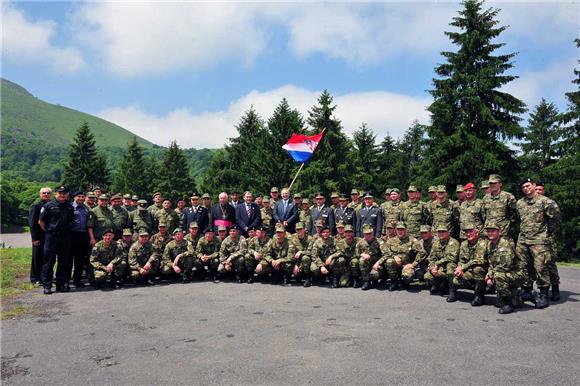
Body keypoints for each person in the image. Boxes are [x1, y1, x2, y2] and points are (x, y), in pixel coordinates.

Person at [516, 178, 558, 309]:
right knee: (522, 265)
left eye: (528, 186)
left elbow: (555, 219)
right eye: (523, 187)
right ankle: (526, 290)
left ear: (534, 185)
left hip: (539, 240)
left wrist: (545, 233)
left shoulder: (545, 201)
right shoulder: (520, 203)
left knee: (541, 267)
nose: (526, 189)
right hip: (523, 240)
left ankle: (544, 294)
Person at [38, 185, 74, 294]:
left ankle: (60, 284)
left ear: (67, 194)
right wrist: (49, 232)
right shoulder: (48, 206)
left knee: (63, 262)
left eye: (64, 193)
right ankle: (47, 285)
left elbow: (71, 221)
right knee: (49, 261)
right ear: (56, 194)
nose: (62, 195)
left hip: (65, 237)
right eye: (60, 193)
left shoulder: (70, 206)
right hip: (52, 236)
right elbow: (41, 222)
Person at [485, 222, 523, 314]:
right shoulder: (490, 245)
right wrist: (489, 274)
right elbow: (491, 264)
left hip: (518, 274)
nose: (490, 233)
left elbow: (504, 266)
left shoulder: (505, 244)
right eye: (488, 231)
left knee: (498, 276)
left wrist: (491, 275)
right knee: (508, 302)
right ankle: (525, 295)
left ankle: (508, 304)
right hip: (506, 274)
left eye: (493, 231)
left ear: (500, 232)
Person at [450, 223, 488, 305]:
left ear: (477, 232)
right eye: (466, 232)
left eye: (471, 231)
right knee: (456, 279)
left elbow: (478, 260)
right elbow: (461, 259)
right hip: (468, 270)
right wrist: (459, 268)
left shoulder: (483, 243)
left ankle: (479, 294)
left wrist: (463, 267)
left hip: (483, 271)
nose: (468, 234)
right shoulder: (464, 244)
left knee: (478, 269)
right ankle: (453, 291)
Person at [377, 222, 421, 291]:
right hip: (394, 266)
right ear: (395, 230)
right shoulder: (391, 241)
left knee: (407, 276)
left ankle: (404, 281)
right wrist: (394, 256)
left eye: (402, 229)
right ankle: (394, 281)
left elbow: (421, 252)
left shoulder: (412, 240)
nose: (400, 231)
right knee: (389, 261)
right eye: (398, 229)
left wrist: (413, 264)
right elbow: (385, 251)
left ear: (406, 230)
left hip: (406, 265)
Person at [424, 225, 460, 296]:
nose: (441, 234)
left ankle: (452, 290)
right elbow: (431, 258)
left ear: (448, 232)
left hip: (451, 267)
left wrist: (437, 263)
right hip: (440, 268)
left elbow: (452, 258)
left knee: (450, 269)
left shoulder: (454, 242)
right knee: (427, 276)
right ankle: (440, 285)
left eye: (443, 231)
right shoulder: (435, 244)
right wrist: (432, 268)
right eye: (439, 232)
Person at [28, 186, 52, 285]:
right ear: (40, 194)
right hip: (39, 236)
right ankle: (35, 278)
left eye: (48, 193)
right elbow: (32, 223)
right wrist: (35, 238)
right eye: (44, 193)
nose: (46, 194)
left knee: (46, 257)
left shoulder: (51, 205)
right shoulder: (36, 206)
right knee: (37, 257)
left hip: (48, 236)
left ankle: (44, 276)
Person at [69, 190, 91, 288]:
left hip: (83, 235)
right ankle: (65, 280)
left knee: (80, 260)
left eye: (82, 196)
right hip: (72, 235)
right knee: (68, 259)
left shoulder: (86, 208)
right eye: (79, 196)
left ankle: (77, 279)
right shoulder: (70, 207)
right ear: (74, 197)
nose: (81, 198)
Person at [357, 224, 383, 290]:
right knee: (361, 260)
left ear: (373, 232)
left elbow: (386, 254)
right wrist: (361, 254)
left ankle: (375, 280)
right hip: (366, 265)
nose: (368, 235)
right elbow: (354, 253)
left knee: (375, 275)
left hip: (377, 264)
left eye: (370, 233)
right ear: (363, 234)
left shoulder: (379, 242)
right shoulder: (360, 243)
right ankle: (366, 281)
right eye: (366, 234)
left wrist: (378, 262)